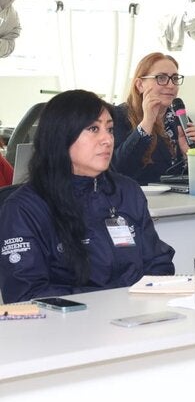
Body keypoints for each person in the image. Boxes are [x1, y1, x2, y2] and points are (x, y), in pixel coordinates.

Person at [0, 90, 175, 304]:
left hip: (134, 314)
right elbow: (25, 295)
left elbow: (158, 262)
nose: (107, 139)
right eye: (93, 129)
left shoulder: (127, 191)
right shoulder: (24, 208)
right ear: (61, 136)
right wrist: (109, 301)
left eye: (109, 129)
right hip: (70, 321)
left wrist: (139, 299)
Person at [112, 52, 195, 185]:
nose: (171, 85)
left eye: (175, 78)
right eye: (161, 78)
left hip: (177, 196)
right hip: (137, 195)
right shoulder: (117, 116)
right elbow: (117, 169)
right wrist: (147, 123)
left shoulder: (179, 119)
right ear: (140, 85)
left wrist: (189, 155)